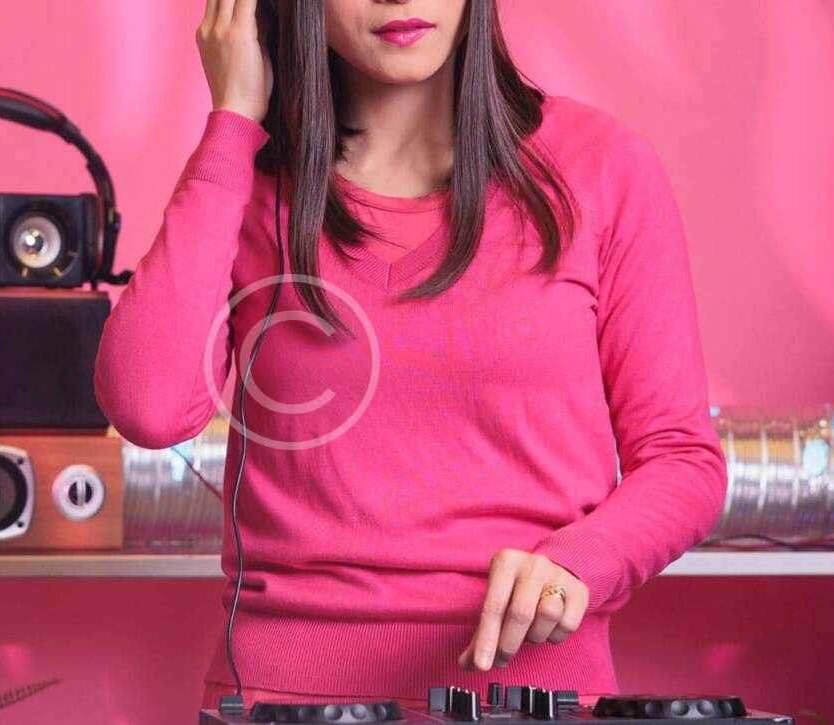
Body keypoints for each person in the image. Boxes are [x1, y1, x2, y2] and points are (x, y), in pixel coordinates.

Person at [93, 0, 728, 710]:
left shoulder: (601, 167)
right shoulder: (246, 180)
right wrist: (232, 123)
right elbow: (148, 407)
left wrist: (579, 563)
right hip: (284, 699)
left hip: (531, 689)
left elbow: (681, 458)